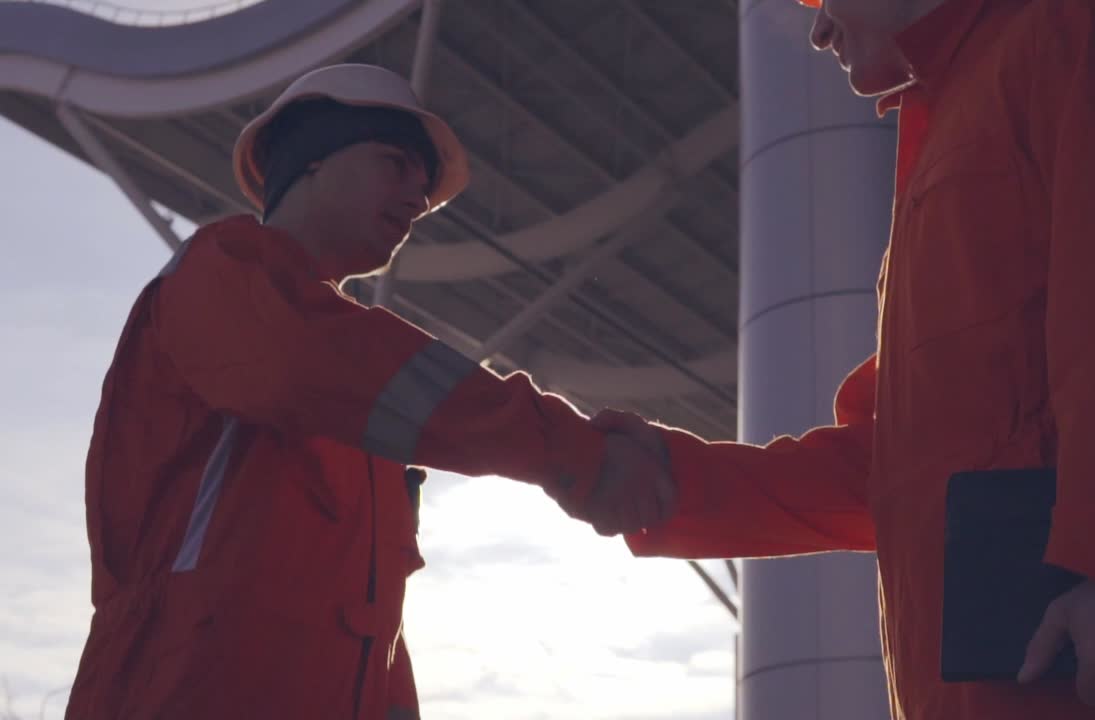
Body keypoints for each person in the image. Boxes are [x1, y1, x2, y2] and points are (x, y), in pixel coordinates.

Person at [603, 0, 1095, 718]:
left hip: (1082, 675)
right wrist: (674, 481)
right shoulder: (957, 123)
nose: (817, 29)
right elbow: (893, 466)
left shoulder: (1065, 34)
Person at [64, 63, 671, 720]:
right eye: (396, 164)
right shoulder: (222, 270)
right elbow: (300, 364)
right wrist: (581, 455)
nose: (417, 198)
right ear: (313, 160)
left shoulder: (362, 409)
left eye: (424, 187)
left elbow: (374, 631)